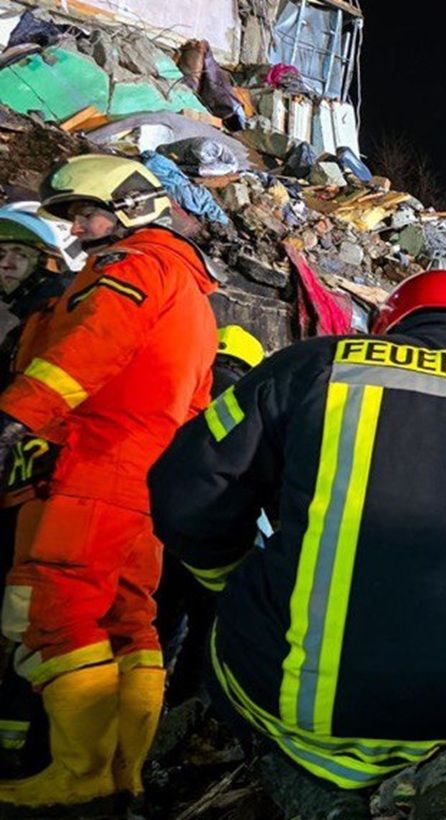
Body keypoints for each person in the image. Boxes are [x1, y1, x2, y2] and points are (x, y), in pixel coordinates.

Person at [149, 269, 446, 819]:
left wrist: (234, 579)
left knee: (225, 639)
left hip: (295, 707)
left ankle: (292, 777)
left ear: (391, 326)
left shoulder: (317, 365)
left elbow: (185, 490)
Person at [0, 154, 219, 809]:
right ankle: (124, 774)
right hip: (143, 483)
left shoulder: (131, 267)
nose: (78, 229)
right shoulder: (192, 292)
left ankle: (79, 775)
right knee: (130, 624)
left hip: (91, 463)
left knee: (54, 613)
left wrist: (15, 416)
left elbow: (93, 344)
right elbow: (197, 404)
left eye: (87, 212)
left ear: (131, 206)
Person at [0, 205, 80, 776]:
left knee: (29, 626)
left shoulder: (59, 318)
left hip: (46, 499)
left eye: (18, 254)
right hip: (24, 494)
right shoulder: (29, 321)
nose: (4, 264)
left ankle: (27, 753)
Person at [154, 325, 266, 708]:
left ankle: (134, 703)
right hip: (220, 542)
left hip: (160, 528)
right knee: (205, 634)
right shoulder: (255, 407)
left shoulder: (181, 386)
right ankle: (177, 709)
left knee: (154, 621)